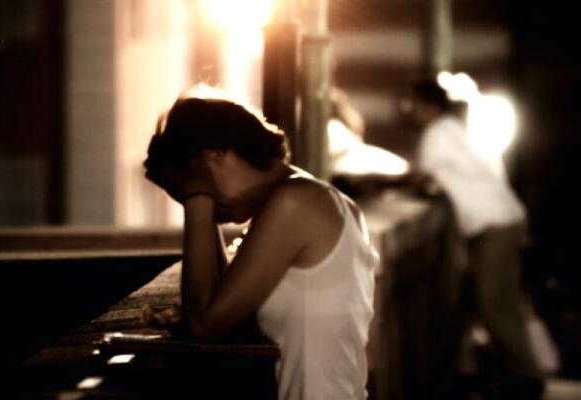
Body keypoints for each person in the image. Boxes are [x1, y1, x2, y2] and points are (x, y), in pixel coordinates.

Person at [141, 85, 379, 400]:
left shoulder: (295, 202)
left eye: (191, 188)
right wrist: (205, 207)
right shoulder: (317, 198)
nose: (210, 207)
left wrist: (198, 201)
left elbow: (205, 323)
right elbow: (226, 312)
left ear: (214, 155)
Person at [403, 79, 542, 397]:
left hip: (493, 224)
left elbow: (421, 178)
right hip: (505, 219)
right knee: (502, 302)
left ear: (430, 106)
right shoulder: (457, 129)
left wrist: (382, 180)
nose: (408, 110)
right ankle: (517, 373)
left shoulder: (437, 134)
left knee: (492, 303)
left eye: (413, 104)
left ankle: (525, 378)